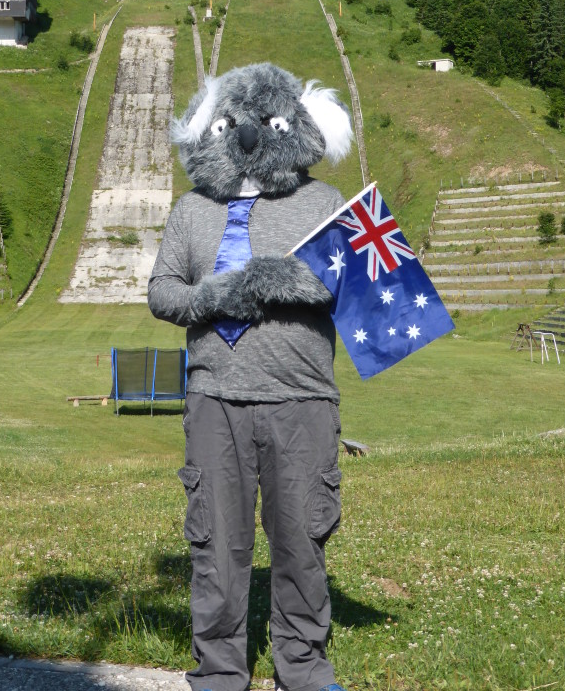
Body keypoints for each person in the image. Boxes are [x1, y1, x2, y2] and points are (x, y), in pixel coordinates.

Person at [148, 63, 353, 691]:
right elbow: (163, 293)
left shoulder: (320, 204)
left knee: (301, 540)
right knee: (217, 547)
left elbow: (348, 286)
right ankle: (219, 671)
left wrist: (270, 280)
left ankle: (304, 666)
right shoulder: (191, 211)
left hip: (301, 400)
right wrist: (215, 296)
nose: (245, 138)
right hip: (215, 399)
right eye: (232, 124)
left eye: (263, 124)